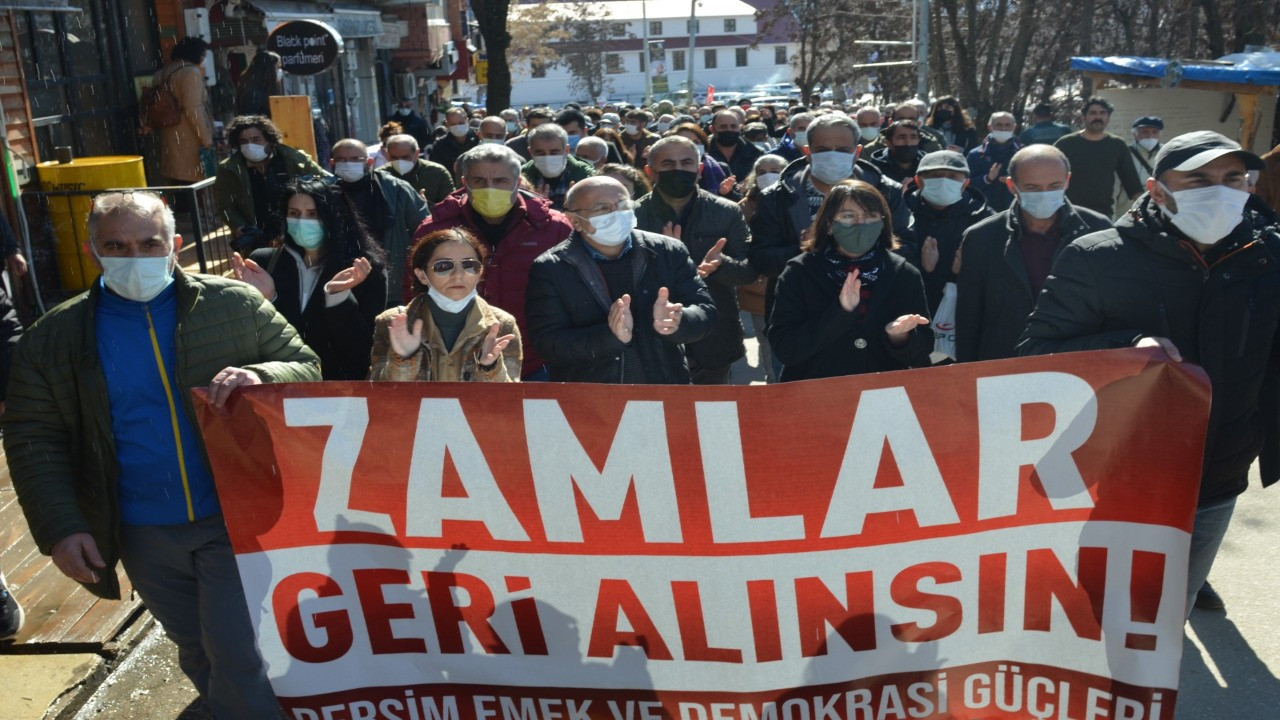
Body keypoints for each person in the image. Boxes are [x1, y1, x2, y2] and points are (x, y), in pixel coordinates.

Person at [2, 191, 320, 718]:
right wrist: (61, 525)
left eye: (149, 243)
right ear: (92, 251)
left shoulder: (233, 303)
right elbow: (34, 435)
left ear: (175, 244)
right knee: (195, 646)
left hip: (233, 518)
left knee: (238, 652)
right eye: (117, 245)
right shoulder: (53, 336)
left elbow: (305, 365)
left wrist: (263, 375)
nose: (135, 256)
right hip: (140, 530)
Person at [1017, 132, 1280, 615]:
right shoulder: (1097, 257)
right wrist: (1126, 345)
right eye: (1200, 180)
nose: (1220, 191)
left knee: (1167, 617)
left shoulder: (1268, 258)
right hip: (1120, 480)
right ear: (1157, 190)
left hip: (1219, 475)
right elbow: (1038, 354)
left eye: (1233, 179)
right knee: (1106, 616)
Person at [524, 176, 717, 383]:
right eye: (603, 209)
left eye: (623, 205)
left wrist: (679, 321)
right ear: (574, 221)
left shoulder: (667, 250)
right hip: (594, 400)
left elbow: (705, 309)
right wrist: (609, 337)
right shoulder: (551, 267)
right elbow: (547, 342)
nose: (617, 213)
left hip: (665, 388)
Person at [406, 144, 570, 380]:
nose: (489, 188)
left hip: (537, 361)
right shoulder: (435, 228)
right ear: (464, 182)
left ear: (518, 180)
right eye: (479, 181)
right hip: (457, 361)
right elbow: (413, 291)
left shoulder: (554, 227)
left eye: (501, 181)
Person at [749, 113, 912, 322]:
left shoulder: (886, 192)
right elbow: (761, 258)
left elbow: (906, 247)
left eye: (843, 150)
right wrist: (807, 250)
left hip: (871, 313)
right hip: (801, 316)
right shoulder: (776, 197)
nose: (832, 156)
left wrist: (859, 250)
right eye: (823, 150)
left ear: (857, 152)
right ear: (808, 152)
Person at [956, 145, 1110, 363]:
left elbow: (1114, 304)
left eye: (1054, 186)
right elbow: (968, 316)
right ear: (1011, 185)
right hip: (1004, 365)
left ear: (1067, 180)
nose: (1045, 195)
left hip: (1079, 362)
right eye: (1033, 188)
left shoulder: (1098, 228)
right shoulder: (982, 237)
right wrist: (967, 375)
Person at [768, 179, 933, 381]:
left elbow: (922, 352)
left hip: (882, 397)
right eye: (848, 216)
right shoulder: (799, 272)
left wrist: (900, 337)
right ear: (829, 223)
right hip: (815, 395)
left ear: (883, 223)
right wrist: (840, 312)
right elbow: (785, 348)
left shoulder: (903, 273)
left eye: (870, 216)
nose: (860, 224)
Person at [230, 178, 387, 380]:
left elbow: (363, 349)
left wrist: (338, 298)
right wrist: (268, 300)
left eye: (313, 214)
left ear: (335, 216)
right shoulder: (263, 263)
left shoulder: (364, 270)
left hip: (340, 391)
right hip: (280, 384)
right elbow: (253, 339)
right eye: (294, 214)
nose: (302, 221)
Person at [634, 136, 757, 384]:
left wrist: (721, 265)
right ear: (651, 171)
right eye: (668, 164)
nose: (678, 169)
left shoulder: (726, 211)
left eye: (687, 162)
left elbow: (749, 271)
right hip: (653, 338)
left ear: (699, 169)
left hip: (714, 337)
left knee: (711, 416)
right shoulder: (634, 216)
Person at [372, 228, 521, 382]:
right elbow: (379, 397)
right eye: (443, 266)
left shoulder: (503, 325)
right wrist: (403, 360)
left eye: (470, 265)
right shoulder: (392, 323)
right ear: (422, 275)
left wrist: (490, 368)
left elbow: (511, 401)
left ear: (480, 272)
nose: (458, 275)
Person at [328, 139, 429, 307]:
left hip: (392, 286)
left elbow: (424, 231)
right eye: (342, 160)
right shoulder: (324, 193)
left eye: (355, 159)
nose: (348, 164)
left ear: (369, 162)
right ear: (333, 163)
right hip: (342, 285)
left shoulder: (396, 189)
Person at [897, 150, 993, 315]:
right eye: (935, 175)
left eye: (952, 176)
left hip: (963, 313)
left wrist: (962, 273)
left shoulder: (984, 218)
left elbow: (991, 274)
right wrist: (922, 270)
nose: (943, 181)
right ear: (919, 181)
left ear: (965, 183)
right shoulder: (900, 215)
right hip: (910, 309)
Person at [213, 114, 327, 252]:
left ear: (269, 140)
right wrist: (239, 227)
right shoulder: (229, 169)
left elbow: (324, 183)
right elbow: (225, 207)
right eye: (243, 141)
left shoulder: (295, 160)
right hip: (258, 240)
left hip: (297, 233)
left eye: (256, 139)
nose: (250, 145)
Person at [1053, 97, 1143, 216]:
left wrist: (1146, 208)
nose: (1098, 117)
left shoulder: (1117, 145)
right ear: (1083, 117)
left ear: (1108, 117)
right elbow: (1048, 174)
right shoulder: (1065, 144)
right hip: (1068, 213)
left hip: (1103, 214)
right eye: (1093, 113)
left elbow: (1132, 183)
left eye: (1102, 113)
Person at [150, 37, 214, 187]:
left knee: (179, 187)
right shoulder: (190, 72)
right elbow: (193, 108)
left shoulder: (161, 73)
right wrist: (207, 139)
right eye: (203, 54)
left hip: (169, 137)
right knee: (195, 188)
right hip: (189, 138)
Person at [522, 123, 596, 210]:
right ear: (530, 152)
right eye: (540, 153)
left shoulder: (585, 175)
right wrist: (534, 206)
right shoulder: (521, 177)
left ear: (566, 150)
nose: (547, 157)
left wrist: (575, 205)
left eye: (554, 152)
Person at [377, 133, 455, 206]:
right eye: (394, 158)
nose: (399, 162)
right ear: (388, 156)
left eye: (405, 157)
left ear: (417, 153)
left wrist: (425, 206)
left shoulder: (438, 173)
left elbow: (451, 207)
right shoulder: (379, 176)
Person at [966, 111, 1021, 211]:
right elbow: (965, 184)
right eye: (999, 125)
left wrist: (1014, 182)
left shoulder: (1023, 154)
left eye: (1007, 125)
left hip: (1014, 210)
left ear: (1014, 127)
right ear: (990, 127)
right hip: (982, 211)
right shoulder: (975, 155)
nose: (1003, 129)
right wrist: (987, 178)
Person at [1114, 116, 1164, 216]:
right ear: (1135, 134)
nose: (1150, 136)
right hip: (1128, 212)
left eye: (1155, 132)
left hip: (1159, 212)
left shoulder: (1167, 153)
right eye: (1145, 132)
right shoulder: (1124, 154)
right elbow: (1114, 188)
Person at [671, 122, 736, 198]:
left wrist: (727, 193)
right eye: (685, 142)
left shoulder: (721, 168)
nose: (692, 146)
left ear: (703, 143)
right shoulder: (669, 170)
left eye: (696, 142)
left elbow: (738, 203)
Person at [708, 109, 763, 182]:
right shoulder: (704, 153)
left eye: (733, 126)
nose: (729, 130)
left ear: (740, 128)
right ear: (712, 129)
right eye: (723, 127)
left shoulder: (756, 153)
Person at [867, 120, 925, 185]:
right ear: (888, 143)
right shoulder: (875, 170)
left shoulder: (927, 166)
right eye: (902, 138)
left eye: (913, 137)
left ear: (919, 140)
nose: (908, 143)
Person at [429, 107, 479, 181]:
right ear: (447, 124)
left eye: (461, 123)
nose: (458, 126)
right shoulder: (440, 145)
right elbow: (437, 171)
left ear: (467, 120)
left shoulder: (479, 136)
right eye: (453, 124)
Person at [233, 49, 281, 117]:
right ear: (269, 69)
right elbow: (250, 120)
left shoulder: (263, 89)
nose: (279, 71)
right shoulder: (254, 93)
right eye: (277, 67)